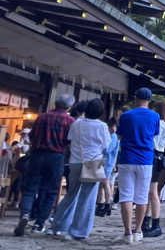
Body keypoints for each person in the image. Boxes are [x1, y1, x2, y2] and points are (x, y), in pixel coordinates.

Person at [14, 93, 74, 236]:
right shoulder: (70, 121)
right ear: (69, 106)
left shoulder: (42, 117)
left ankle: (25, 214)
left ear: (55, 103)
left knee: (29, 188)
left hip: (37, 155)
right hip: (56, 157)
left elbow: (32, 136)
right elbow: (68, 141)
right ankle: (39, 223)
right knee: (50, 191)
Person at [50, 98, 110, 240]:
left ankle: (58, 225)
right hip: (93, 161)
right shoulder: (102, 126)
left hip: (75, 161)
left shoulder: (77, 123)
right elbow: (107, 145)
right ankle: (78, 231)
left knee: (71, 194)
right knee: (87, 198)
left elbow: (70, 139)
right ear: (101, 112)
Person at [116, 87, 160, 244]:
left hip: (127, 158)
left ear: (135, 98)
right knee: (142, 196)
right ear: (149, 100)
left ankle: (127, 232)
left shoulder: (126, 115)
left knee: (126, 195)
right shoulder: (155, 116)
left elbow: (119, 134)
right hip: (145, 159)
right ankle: (138, 230)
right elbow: (154, 134)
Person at [142, 99, 165, 238]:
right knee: (151, 191)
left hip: (154, 156)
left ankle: (154, 223)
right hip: (159, 156)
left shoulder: (159, 123)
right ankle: (148, 221)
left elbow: (153, 141)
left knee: (152, 191)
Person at [96, 117, 119, 218]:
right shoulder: (113, 136)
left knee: (105, 183)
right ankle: (102, 203)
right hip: (106, 162)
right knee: (103, 184)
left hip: (106, 163)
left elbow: (108, 150)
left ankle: (106, 204)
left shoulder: (113, 137)